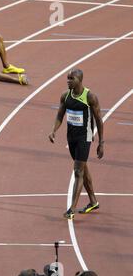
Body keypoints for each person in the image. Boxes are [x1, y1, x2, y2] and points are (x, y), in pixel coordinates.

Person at [48, 68, 104, 220]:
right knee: (83, 168)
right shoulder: (65, 96)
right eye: (67, 78)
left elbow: (99, 119)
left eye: (71, 78)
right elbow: (60, 115)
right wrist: (54, 130)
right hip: (71, 137)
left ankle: (71, 209)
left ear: (79, 80)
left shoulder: (90, 97)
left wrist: (101, 142)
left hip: (84, 138)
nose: (68, 81)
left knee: (78, 171)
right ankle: (93, 201)